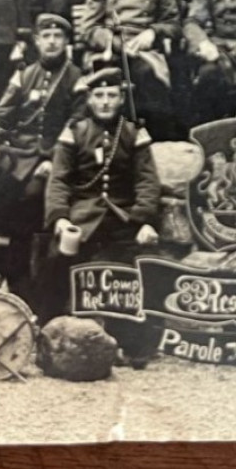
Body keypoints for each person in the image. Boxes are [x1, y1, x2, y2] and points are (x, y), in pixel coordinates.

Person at [43, 67, 162, 364]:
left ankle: (135, 346)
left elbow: (147, 181)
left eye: (111, 95)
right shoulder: (75, 131)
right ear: (90, 99)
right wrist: (60, 217)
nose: (106, 102)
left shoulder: (134, 133)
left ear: (121, 98)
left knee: (135, 269)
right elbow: (58, 179)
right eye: (99, 96)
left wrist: (145, 220)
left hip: (123, 219)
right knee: (56, 263)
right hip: (82, 220)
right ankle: (51, 337)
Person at [0, 12, 86, 300]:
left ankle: (23, 286)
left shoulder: (77, 78)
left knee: (29, 202)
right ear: (37, 41)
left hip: (50, 159)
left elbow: (76, 125)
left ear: (66, 42)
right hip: (18, 156)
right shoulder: (24, 75)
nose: (52, 42)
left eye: (58, 37)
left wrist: (55, 160)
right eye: (46, 37)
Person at [77, 0, 181, 137]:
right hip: (108, 52)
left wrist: (154, 32)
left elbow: (173, 23)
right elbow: (88, 28)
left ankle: (156, 138)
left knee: (147, 74)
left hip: (144, 51)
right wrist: (115, 43)